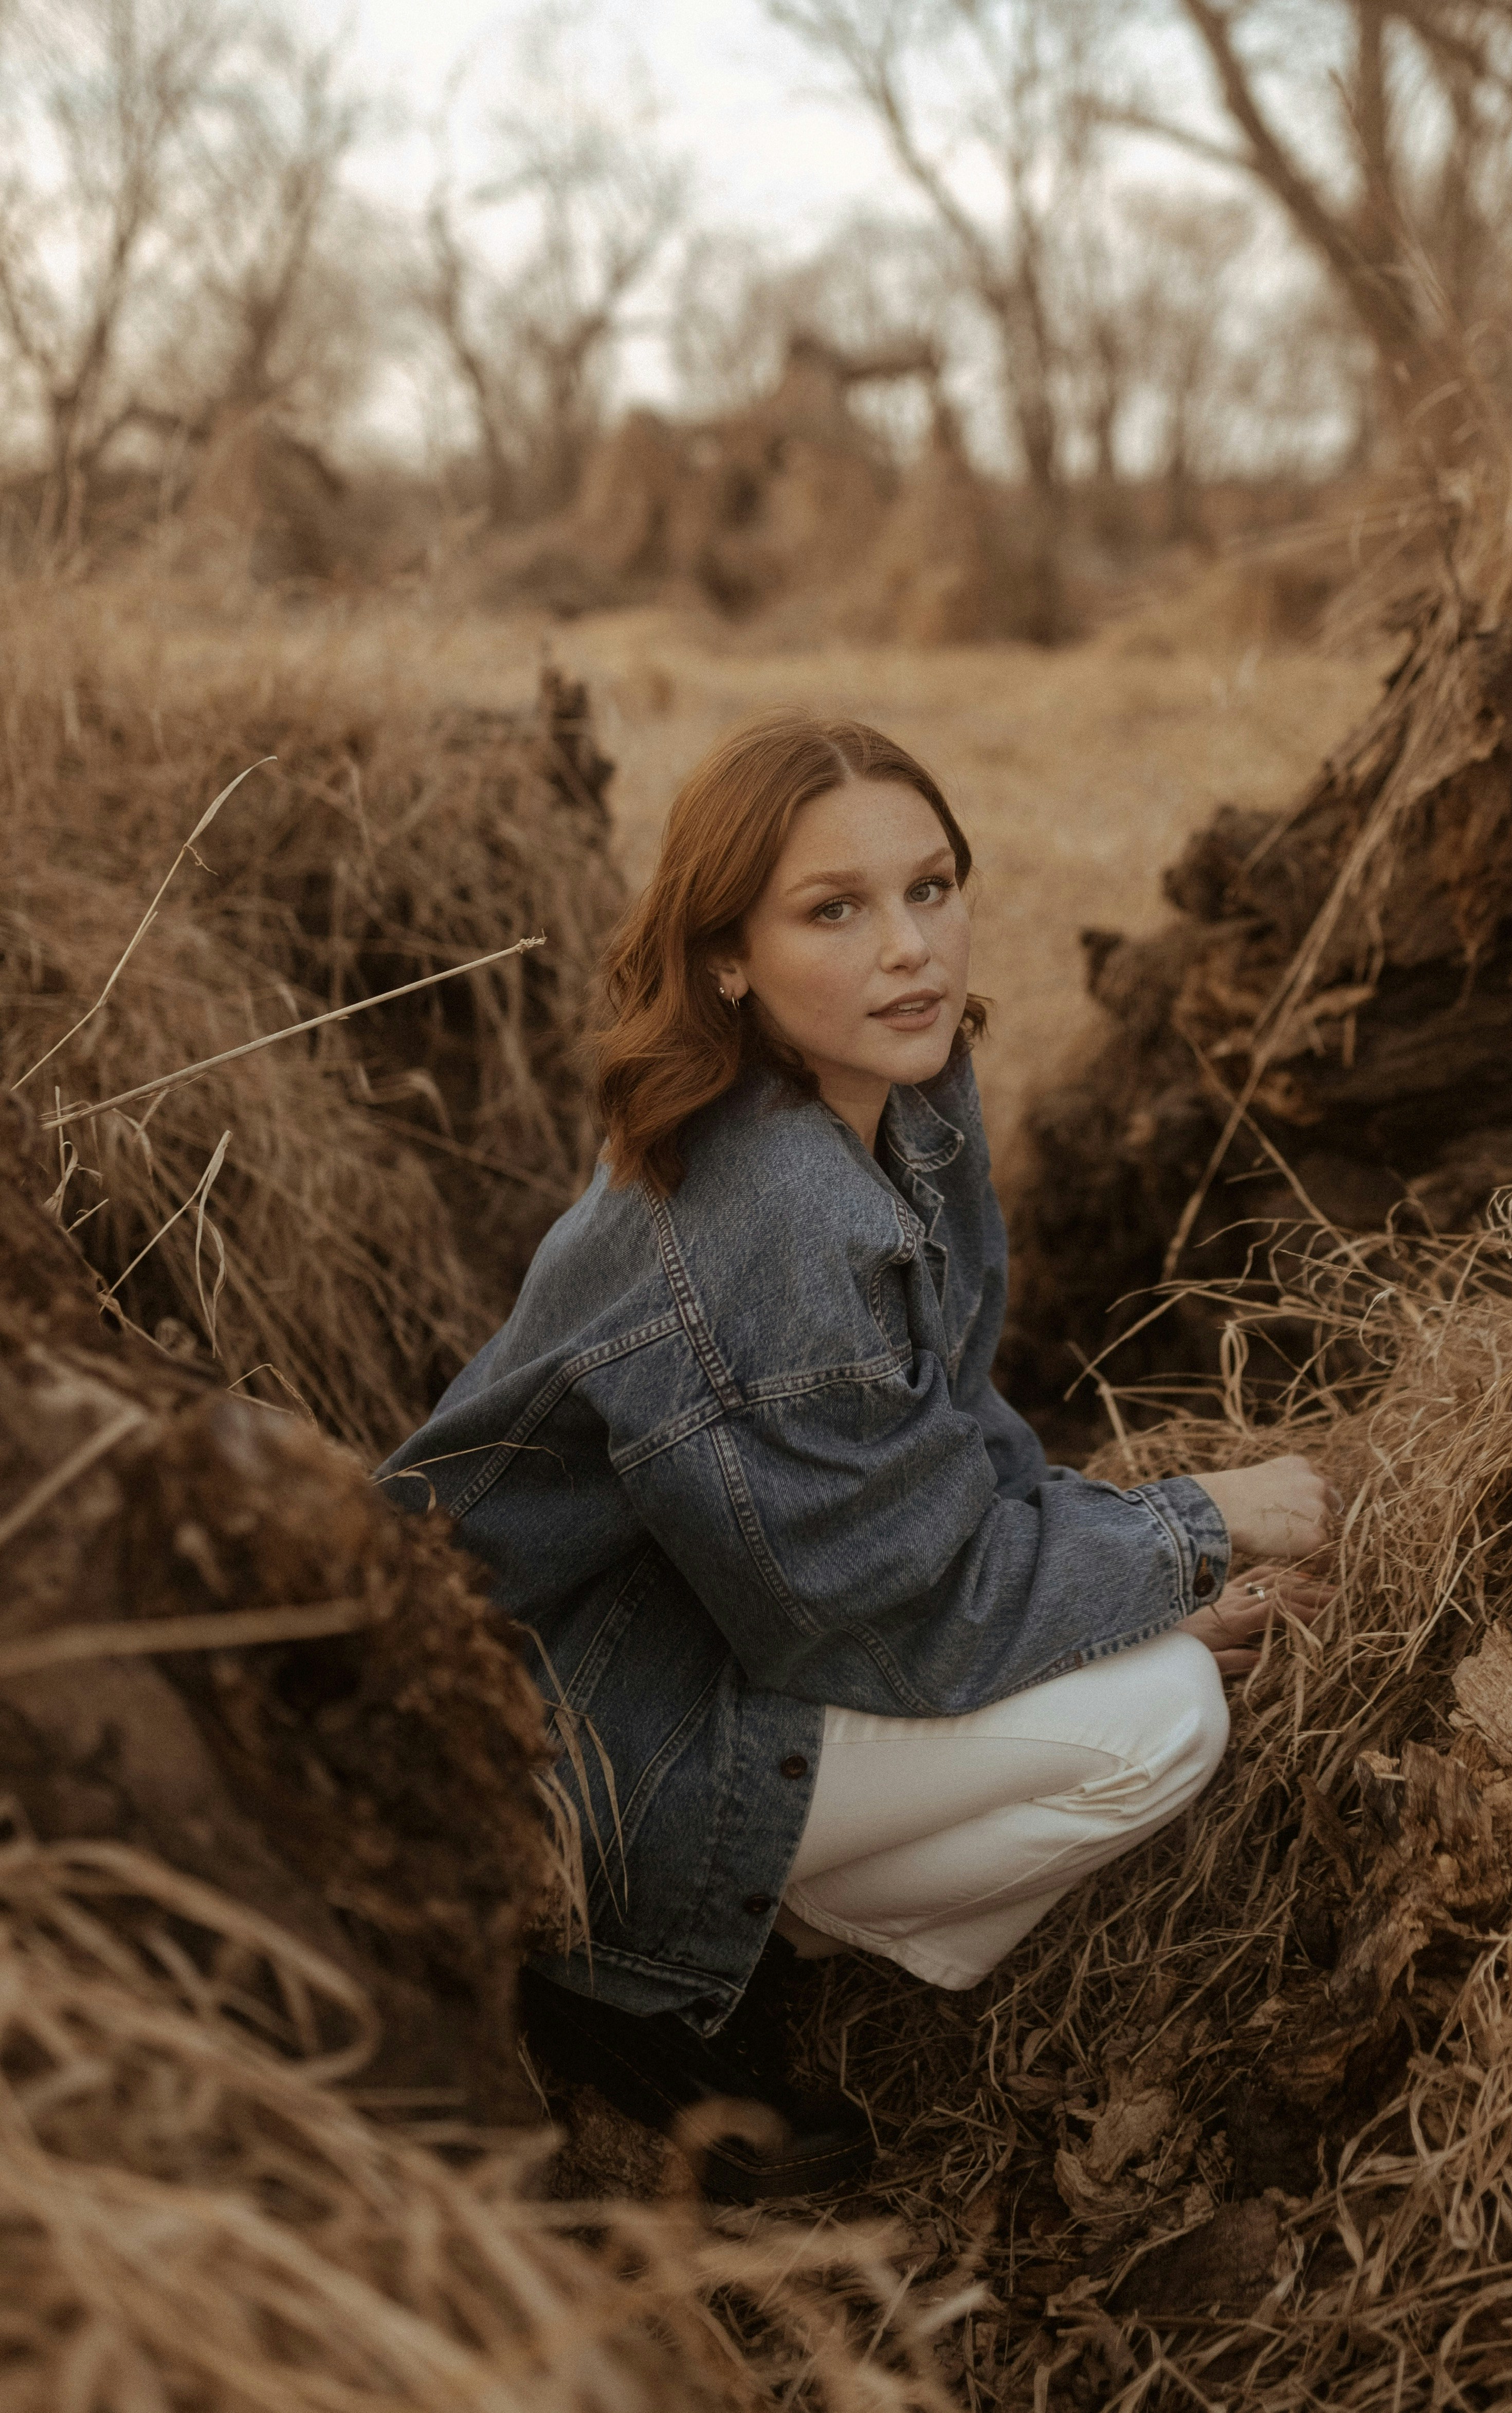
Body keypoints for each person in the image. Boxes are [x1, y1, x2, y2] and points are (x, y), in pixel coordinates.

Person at [377, 712, 1335, 2199]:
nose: (912, 949)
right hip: (567, 1742)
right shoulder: (770, 1215)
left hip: (704, 1631)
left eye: (932, 888)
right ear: (727, 960)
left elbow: (944, 1437)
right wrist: (1187, 1531)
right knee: (1163, 1721)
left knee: (1141, 1652)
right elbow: (886, 1612)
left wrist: (1120, 1581)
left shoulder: (893, 1105)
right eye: (837, 909)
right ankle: (629, 1963)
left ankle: (761, 1915)